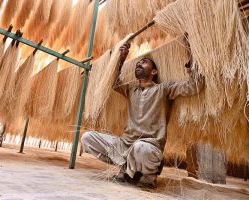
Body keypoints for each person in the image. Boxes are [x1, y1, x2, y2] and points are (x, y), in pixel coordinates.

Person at [81, 37, 204, 188]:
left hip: (148, 147)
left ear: (154, 71)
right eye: (138, 63)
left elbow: (195, 86)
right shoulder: (130, 90)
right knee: (87, 138)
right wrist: (120, 59)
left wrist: (190, 52)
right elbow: (113, 83)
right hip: (125, 145)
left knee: (140, 147)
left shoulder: (163, 89)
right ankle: (128, 169)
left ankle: (148, 174)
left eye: (144, 62)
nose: (139, 63)